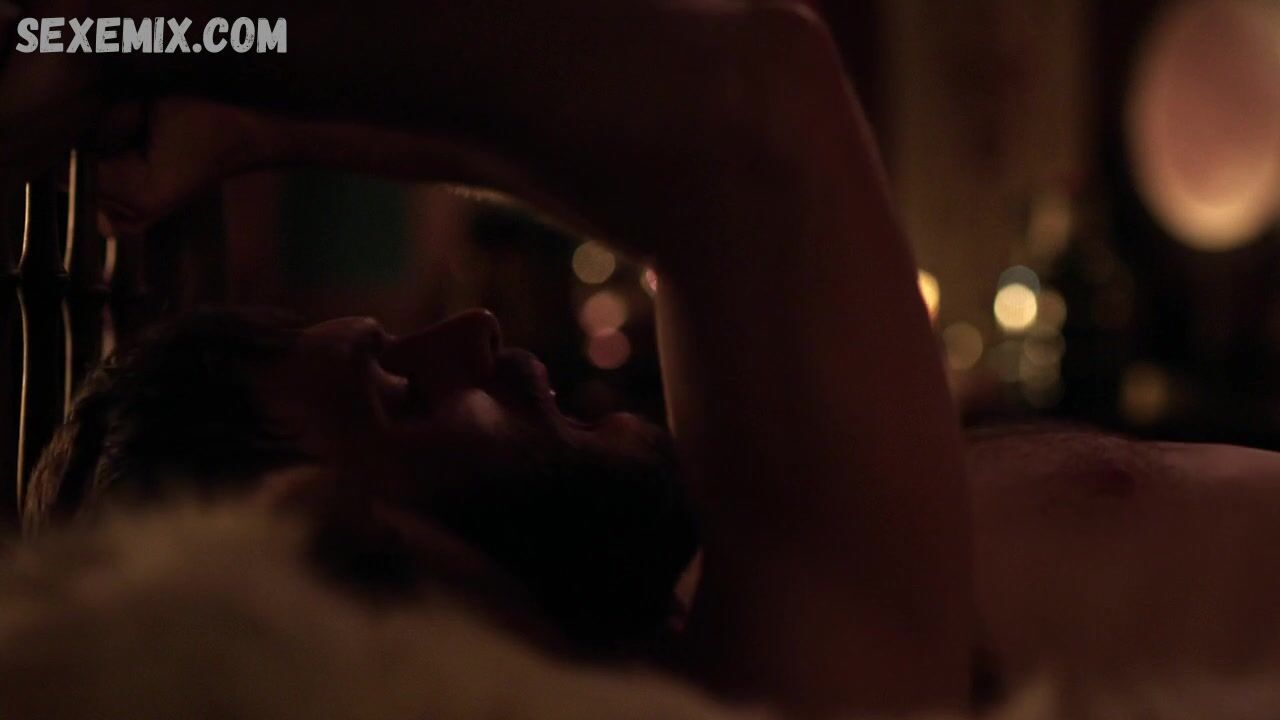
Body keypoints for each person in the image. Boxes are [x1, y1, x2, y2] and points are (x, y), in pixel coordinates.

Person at [8, 2, 1280, 716]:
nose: (473, 336)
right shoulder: (773, 678)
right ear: (353, 566)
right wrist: (130, 30)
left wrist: (259, 121)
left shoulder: (719, 579)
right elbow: (745, 100)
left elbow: (673, 188)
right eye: (397, 392)